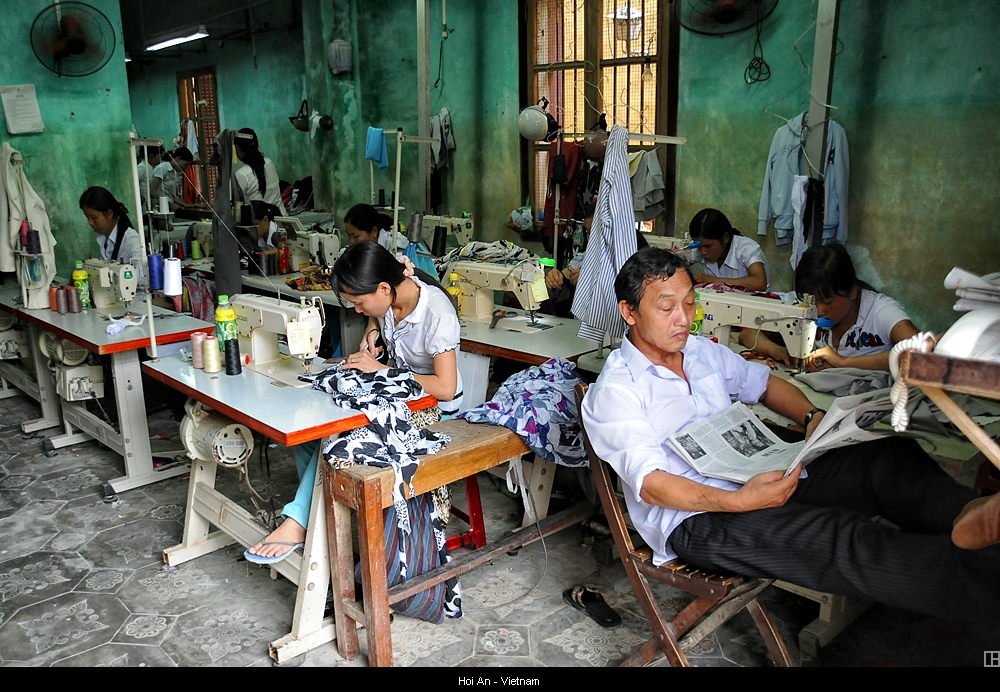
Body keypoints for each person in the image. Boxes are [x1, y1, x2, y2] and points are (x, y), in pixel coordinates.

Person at [581, 247, 1000, 624]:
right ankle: (987, 579)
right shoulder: (618, 389)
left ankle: (979, 521)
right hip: (698, 518)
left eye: (690, 302)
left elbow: (764, 384)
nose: (684, 318)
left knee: (887, 457)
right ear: (629, 312)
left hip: (760, 477)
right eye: (667, 307)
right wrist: (738, 501)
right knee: (836, 537)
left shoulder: (701, 351)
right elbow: (652, 485)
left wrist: (812, 416)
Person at [245, 241, 462, 563]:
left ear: (385, 288)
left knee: (338, 435)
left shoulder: (438, 314)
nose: (358, 311)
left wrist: (383, 370)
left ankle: (298, 521)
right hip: (398, 394)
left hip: (432, 410)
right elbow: (379, 318)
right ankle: (324, 515)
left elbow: (445, 387)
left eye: (360, 304)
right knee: (309, 431)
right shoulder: (389, 297)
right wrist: (372, 334)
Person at [741, 243, 918, 371]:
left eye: (828, 301)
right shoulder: (803, 305)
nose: (819, 310)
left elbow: (921, 356)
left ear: (853, 292)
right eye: (813, 301)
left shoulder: (881, 311)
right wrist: (779, 351)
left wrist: (844, 362)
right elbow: (748, 333)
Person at [689, 208, 770, 292]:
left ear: (725, 238)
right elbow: (678, 262)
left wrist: (712, 280)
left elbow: (759, 283)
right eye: (699, 246)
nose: (703, 251)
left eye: (708, 246)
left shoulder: (746, 248)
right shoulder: (700, 248)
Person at [79, 186, 146, 287]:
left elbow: (143, 276)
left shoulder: (132, 240)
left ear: (109, 214)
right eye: (87, 217)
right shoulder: (103, 240)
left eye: (93, 217)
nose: (90, 223)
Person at [235, 128, 288, 215]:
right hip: (282, 218)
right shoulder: (269, 162)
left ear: (237, 148)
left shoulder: (242, 174)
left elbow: (234, 202)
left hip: (262, 224)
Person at [343, 203, 408, 253]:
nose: (351, 241)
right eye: (349, 236)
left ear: (374, 231)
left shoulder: (394, 245)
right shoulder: (356, 248)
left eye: (356, 236)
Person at [136, 145, 165, 214]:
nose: (161, 159)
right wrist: (140, 197)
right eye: (159, 156)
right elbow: (132, 182)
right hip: (142, 207)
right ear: (151, 155)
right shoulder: (142, 168)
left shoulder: (150, 167)